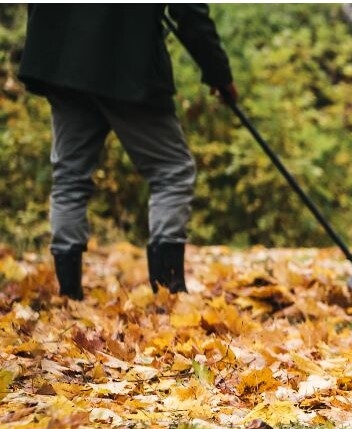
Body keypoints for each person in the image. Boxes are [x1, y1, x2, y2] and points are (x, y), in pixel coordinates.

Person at [18, 4, 237, 299]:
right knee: (171, 170)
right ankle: (169, 296)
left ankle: (69, 295)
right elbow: (188, 10)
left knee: (69, 176)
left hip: (63, 61)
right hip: (129, 63)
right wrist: (219, 73)